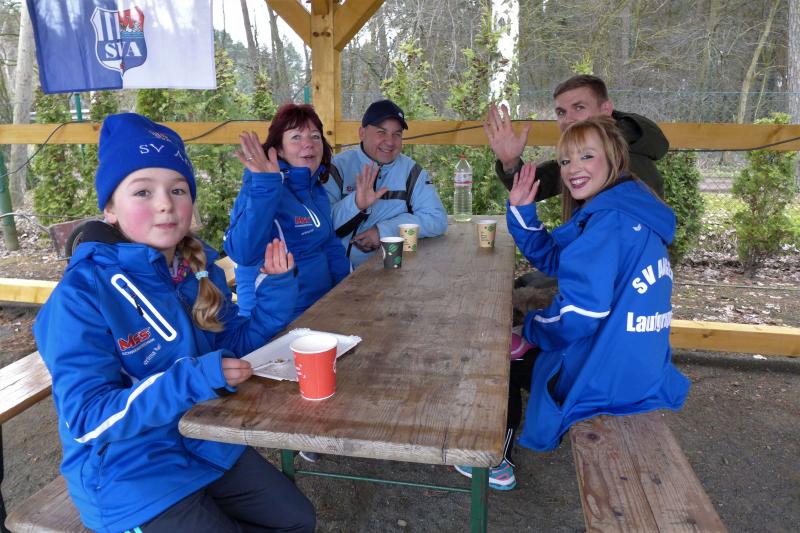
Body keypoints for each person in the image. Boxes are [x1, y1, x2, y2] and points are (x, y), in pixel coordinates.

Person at [32, 113, 315, 532]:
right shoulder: (81, 294)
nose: (165, 203)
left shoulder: (197, 270)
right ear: (110, 208)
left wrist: (276, 291)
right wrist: (193, 378)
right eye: (143, 191)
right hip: (130, 473)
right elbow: (88, 417)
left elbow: (233, 347)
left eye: (177, 189)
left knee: (297, 520)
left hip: (205, 441)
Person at [456, 116, 689, 490]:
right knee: (521, 343)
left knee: (499, 357)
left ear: (614, 157)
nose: (572, 169)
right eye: (565, 161)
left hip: (608, 379)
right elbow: (560, 263)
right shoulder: (631, 208)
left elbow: (581, 315)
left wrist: (530, 328)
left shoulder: (609, 222)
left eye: (586, 156)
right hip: (641, 369)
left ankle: (494, 460)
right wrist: (523, 212)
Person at [225, 103, 351, 320]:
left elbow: (329, 246)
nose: (308, 144)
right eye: (296, 137)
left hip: (321, 307)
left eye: (315, 136)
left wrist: (346, 291)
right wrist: (266, 186)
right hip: (275, 317)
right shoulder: (259, 187)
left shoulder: (315, 190)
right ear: (279, 149)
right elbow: (242, 253)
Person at [485, 74, 669, 198]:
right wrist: (510, 162)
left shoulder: (626, 160)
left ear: (606, 110)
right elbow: (539, 186)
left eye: (579, 107)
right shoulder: (593, 152)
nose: (568, 120)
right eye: (561, 112)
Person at [324, 99, 448, 267]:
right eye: (381, 132)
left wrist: (384, 231)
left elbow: (437, 220)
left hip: (398, 272)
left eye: (397, 134)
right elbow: (322, 225)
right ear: (362, 133)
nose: (390, 142)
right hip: (339, 275)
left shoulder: (411, 172)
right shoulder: (337, 168)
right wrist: (356, 204)